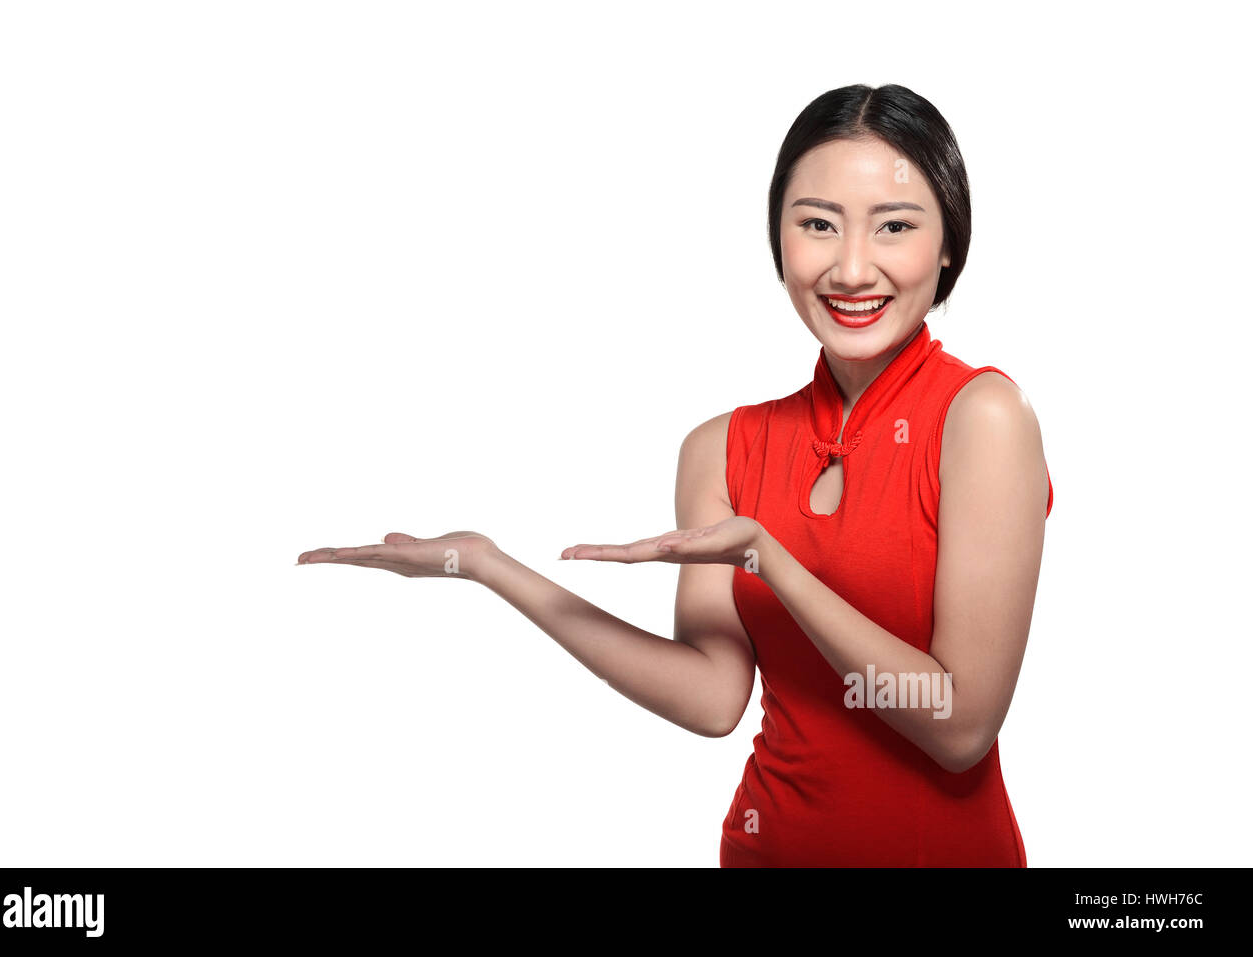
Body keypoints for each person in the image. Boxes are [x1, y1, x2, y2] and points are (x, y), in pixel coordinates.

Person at [296, 83, 1053, 867]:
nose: (852, 267)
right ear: (780, 240)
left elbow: (960, 723)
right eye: (817, 225)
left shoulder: (983, 417)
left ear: (949, 244)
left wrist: (774, 562)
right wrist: (491, 565)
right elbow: (712, 696)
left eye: (894, 226)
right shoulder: (722, 447)